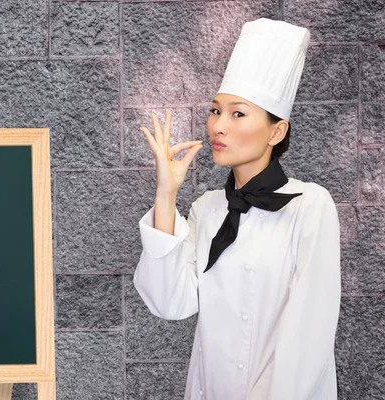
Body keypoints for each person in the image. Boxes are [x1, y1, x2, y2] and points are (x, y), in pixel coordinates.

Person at [133, 18, 341, 400]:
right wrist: (166, 194)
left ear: (276, 132)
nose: (218, 126)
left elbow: (309, 336)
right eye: (215, 111)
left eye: (238, 114)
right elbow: (169, 302)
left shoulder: (311, 206)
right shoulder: (207, 208)